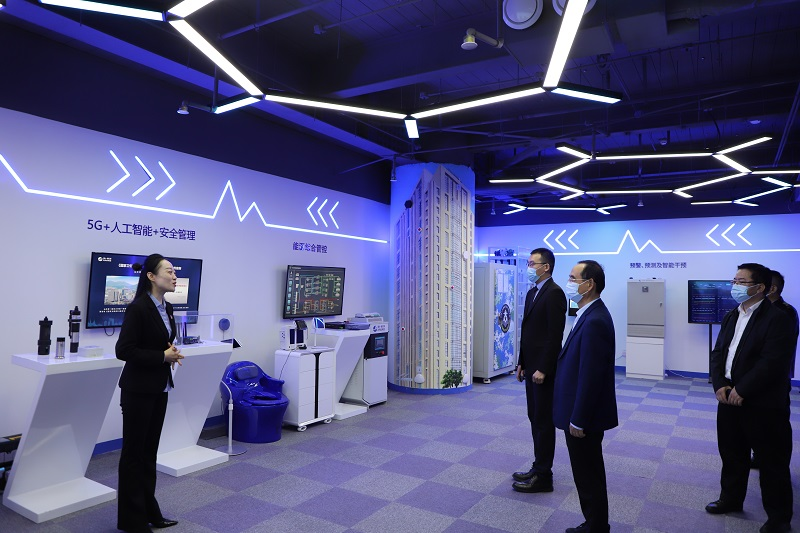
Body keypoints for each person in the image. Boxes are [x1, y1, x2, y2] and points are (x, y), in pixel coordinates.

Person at [705, 263, 793, 533]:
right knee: (732, 453)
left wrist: (743, 389)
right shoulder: (733, 314)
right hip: (728, 397)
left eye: (741, 282)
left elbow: (772, 362)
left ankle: (779, 519)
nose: (735, 286)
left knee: (771, 462)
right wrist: (719, 384)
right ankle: (731, 499)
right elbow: (719, 352)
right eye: (734, 280)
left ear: (760, 287)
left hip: (762, 402)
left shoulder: (778, 318)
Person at [116, 254, 184, 533]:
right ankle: (132, 521)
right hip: (138, 390)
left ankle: (149, 512)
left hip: (159, 387)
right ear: (151, 276)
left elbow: (159, 343)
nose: (174, 276)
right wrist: (161, 357)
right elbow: (124, 350)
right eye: (169, 271)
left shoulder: (167, 308)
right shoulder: (138, 308)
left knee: (149, 454)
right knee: (134, 455)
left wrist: (169, 353)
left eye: (174, 271)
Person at [553, 260, 617, 533]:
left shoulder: (595, 321)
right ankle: (595, 523)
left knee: (588, 473)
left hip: (584, 417)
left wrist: (578, 419)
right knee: (586, 472)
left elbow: (591, 377)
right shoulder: (587, 314)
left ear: (589, 284)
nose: (568, 283)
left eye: (573, 278)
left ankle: (596, 526)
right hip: (579, 411)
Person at [512, 248, 567, 493]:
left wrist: (544, 368)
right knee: (534, 416)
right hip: (531, 366)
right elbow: (528, 332)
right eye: (528, 263)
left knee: (544, 421)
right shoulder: (532, 292)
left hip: (543, 370)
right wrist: (522, 362)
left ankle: (544, 476)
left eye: (532, 264)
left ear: (546, 267)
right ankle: (538, 466)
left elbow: (554, 336)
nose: (529, 268)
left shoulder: (555, 293)